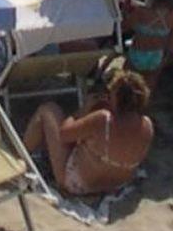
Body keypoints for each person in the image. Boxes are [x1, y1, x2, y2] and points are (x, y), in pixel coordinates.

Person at [21, 71, 154, 198]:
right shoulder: (147, 125)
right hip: (116, 185)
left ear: (117, 98)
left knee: (48, 110)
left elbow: (64, 134)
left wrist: (83, 109)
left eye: (110, 95)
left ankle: (20, 157)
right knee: (87, 139)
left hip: (78, 185)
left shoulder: (104, 119)